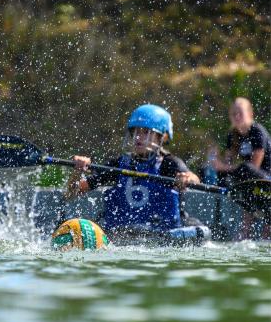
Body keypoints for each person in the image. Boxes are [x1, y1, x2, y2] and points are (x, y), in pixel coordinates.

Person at [65, 104, 206, 243]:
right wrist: (78, 171)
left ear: (162, 137)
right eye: (136, 132)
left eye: (146, 132)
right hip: (121, 236)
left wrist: (188, 178)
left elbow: (193, 178)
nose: (139, 137)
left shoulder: (169, 163)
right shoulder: (119, 164)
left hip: (164, 237)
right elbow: (72, 193)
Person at [210, 97, 271, 239]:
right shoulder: (233, 135)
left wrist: (224, 167)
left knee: (246, 169)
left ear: (250, 114)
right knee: (226, 176)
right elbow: (227, 161)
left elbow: (253, 167)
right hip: (251, 182)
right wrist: (215, 161)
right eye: (233, 113)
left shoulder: (257, 131)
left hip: (266, 180)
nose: (237, 116)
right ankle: (243, 235)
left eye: (240, 112)